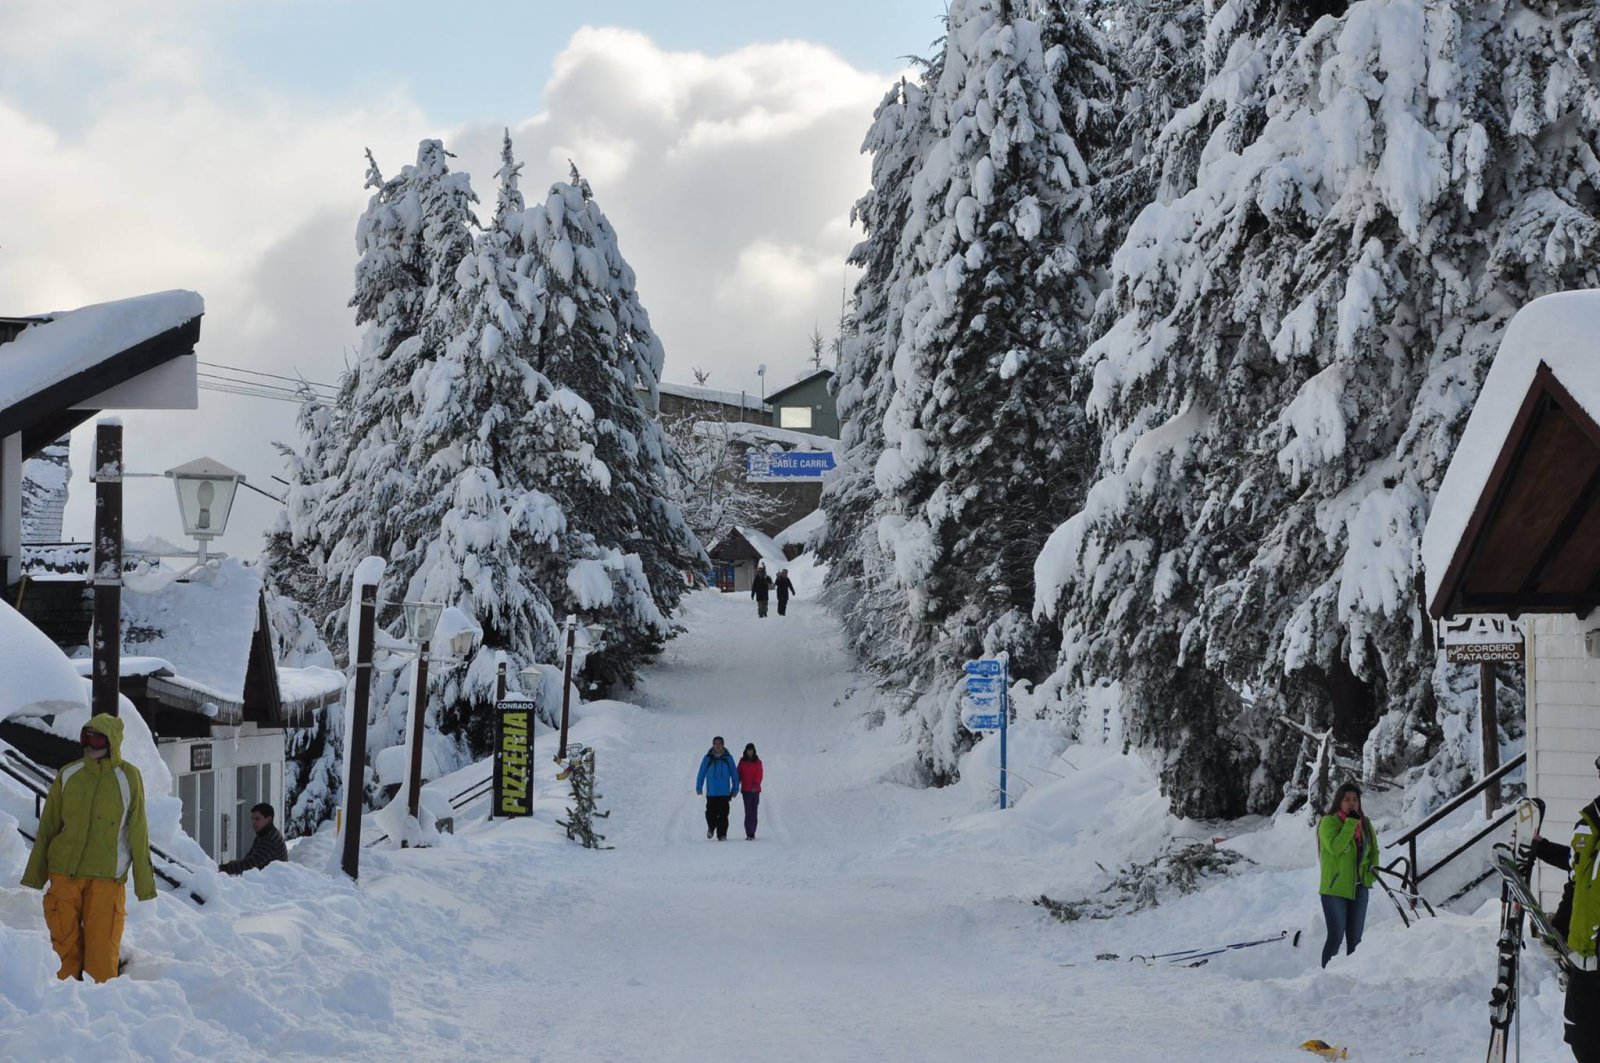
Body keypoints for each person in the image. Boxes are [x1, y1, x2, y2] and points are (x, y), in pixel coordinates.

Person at [20, 713, 158, 982]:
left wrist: (144, 883)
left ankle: (99, 1012)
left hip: (106, 878)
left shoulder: (128, 777)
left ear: (112, 742)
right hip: (64, 874)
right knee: (62, 950)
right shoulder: (69, 774)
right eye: (85, 738)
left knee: (101, 955)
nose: (88, 745)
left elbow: (138, 830)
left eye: (95, 739)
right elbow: (48, 826)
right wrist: (35, 875)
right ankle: (63, 1008)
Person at [1531, 755, 1600, 1062]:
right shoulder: (1587, 824)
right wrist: (1559, 928)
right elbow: (1577, 877)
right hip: (1584, 964)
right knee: (1582, 1040)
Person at [1316, 781, 1378, 968]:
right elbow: (1335, 847)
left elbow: (1374, 851)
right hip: (1335, 890)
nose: (1351, 803)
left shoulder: (1365, 823)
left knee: (1356, 940)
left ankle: (1352, 977)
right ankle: (1325, 976)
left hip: (1360, 889)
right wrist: (1350, 823)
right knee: (1336, 936)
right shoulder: (1329, 822)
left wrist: (1371, 873)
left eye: (1355, 800)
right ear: (1339, 802)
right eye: (1347, 800)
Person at [220, 802, 289, 875]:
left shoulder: (270, 839)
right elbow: (249, 858)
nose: (253, 822)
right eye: (252, 819)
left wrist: (223, 868)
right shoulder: (264, 834)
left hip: (273, 882)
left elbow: (252, 864)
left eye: (257, 819)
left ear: (268, 819)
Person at [695, 736, 740, 841]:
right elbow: (701, 772)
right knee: (710, 813)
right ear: (713, 745)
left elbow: (734, 774)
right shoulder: (708, 758)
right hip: (712, 793)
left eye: (719, 743)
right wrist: (699, 786)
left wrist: (735, 789)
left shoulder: (728, 758)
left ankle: (722, 834)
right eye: (715, 743)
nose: (717, 745)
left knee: (724, 815)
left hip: (724, 793)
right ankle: (711, 827)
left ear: (723, 745)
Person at [738, 743, 764, 840]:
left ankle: (753, 830)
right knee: (748, 812)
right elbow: (738, 773)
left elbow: (759, 774)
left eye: (751, 750)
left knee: (754, 811)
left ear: (754, 751)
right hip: (746, 790)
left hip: (755, 791)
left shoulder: (758, 762)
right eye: (748, 750)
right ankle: (749, 832)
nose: (750, 752)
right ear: (746, 751)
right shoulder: (742, 761)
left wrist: (756, 784)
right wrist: (736, 784)